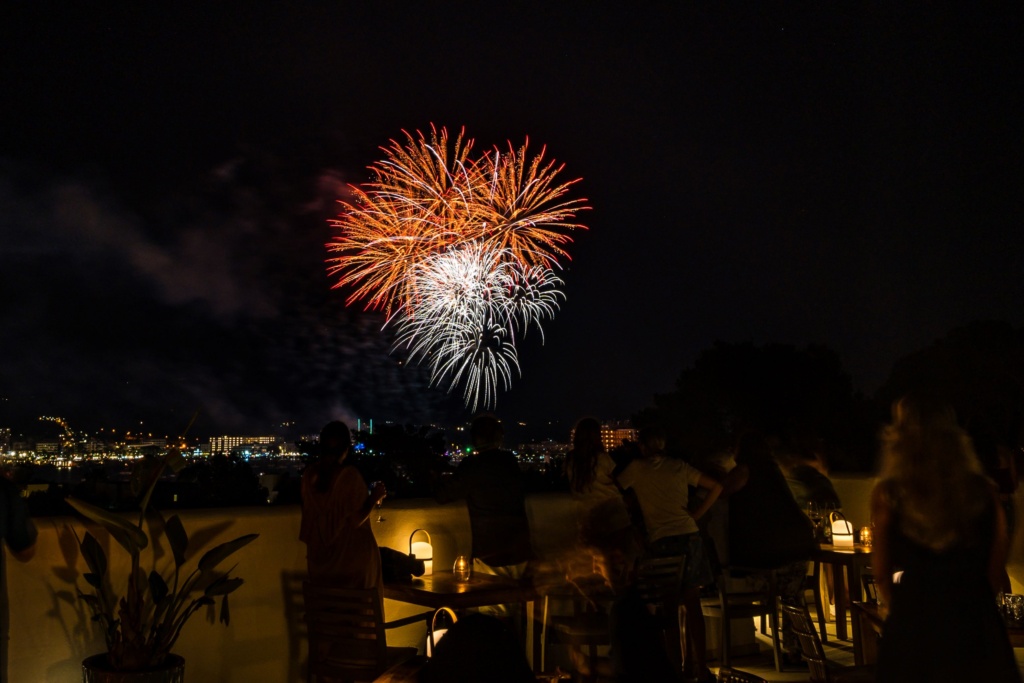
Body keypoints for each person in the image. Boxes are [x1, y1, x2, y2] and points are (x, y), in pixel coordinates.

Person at [871, 395, 1020, 682]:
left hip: (913, 624)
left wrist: (901, 609)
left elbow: (881, 574)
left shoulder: (889, 495)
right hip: (975, 623)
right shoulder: (984, 493)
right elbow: (994, 571)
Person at [615, 425, 722, 683]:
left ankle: (676, 668)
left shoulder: (636, 469)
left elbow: (614, 489)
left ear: (643, 447)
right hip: (689, 538)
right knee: (693, 605)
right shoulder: (678, 466)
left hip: (661, 542)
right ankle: (701, 667)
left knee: (669, 608)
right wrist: (696, 514)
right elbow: (716, 486)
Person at [722, 430, 816, 665]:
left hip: (773, 551)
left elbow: (720, 492)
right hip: (798, 543)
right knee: (793, 599)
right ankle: (800, 652)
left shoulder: (744, 470)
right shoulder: (773, 470)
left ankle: (796, 652)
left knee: (787, 598)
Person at [435, 415, 532, 610]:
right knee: (518, 611)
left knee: (491, 612)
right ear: (498, 437)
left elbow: (444, 495)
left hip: (489, 552)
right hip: (520, 549)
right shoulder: (509, 461)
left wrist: (431, 476)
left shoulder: (472, 466)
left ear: (476, 438)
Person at [300, 420, 385, 587]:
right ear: (346, 448)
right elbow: (355, 520)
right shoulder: (349, 477)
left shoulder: (308, 477)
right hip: (353, 568)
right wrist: (373, 498)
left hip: (321, 571)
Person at [564, 417, 638, 590]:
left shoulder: (570, 461)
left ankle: (599, 607)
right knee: (621, 568)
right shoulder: (604, 459)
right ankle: (621, 603)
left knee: (592, 570)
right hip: (615, 519)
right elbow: (622, 482)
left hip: (588, 522)